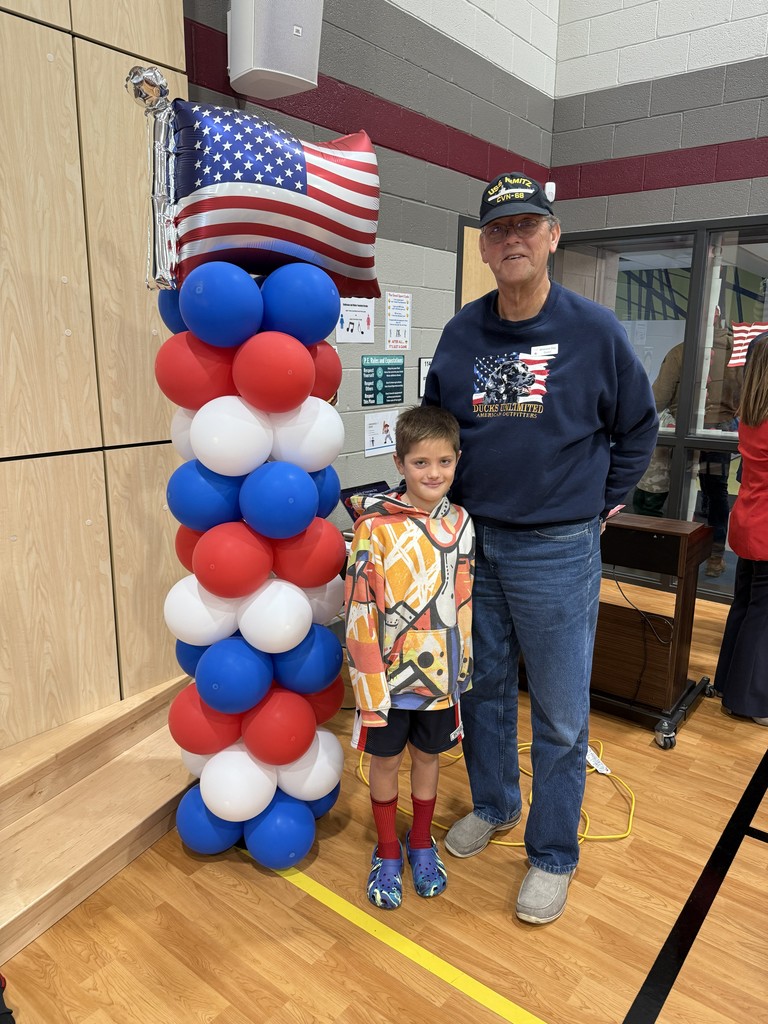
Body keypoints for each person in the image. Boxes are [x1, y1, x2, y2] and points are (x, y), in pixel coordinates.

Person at [423, 171, 657, 925]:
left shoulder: (594, 332)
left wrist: (598, 500)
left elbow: (639, 427)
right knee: (481, 690)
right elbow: (438, 432)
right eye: (499, 229)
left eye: (528, 225)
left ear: (553, 236)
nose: (513, 239)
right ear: (485, 247)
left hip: (557, 547)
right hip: (473, 543)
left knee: (558, 711)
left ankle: (553, 851)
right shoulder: (462, 333)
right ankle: (494, 805)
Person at [344, 405, 475, 910]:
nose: (434, 473)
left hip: (439, 678)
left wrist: (460, 671)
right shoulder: (374, 527)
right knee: (385, 761)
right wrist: (368, 681)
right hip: (386, 677)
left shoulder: (464, 524)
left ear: (458, 461)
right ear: (400, 463)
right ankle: (387, 848)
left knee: (428, 757)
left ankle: (421, 842)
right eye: (421, 463)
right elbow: (360, 606)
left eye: (444, 461)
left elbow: (464, 602)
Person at [713, 331, 768, 725]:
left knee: (746, 604)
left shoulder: (752, 415)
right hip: (765, 527)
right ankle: (747, 701)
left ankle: (726, 684)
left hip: (748, 519)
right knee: (761, 614)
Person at [698, 310, 741, 577]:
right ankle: (713, 554)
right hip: (713, 428)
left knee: (712, 491)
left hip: (712, 428)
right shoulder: (733, 351)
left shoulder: (693, 348)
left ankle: (712, 553)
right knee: (714, 491)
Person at [632, 342, 682, 517]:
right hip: (654, 467)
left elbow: (659, 397)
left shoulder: (680, 353)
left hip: (673, 430)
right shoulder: (680, 353)